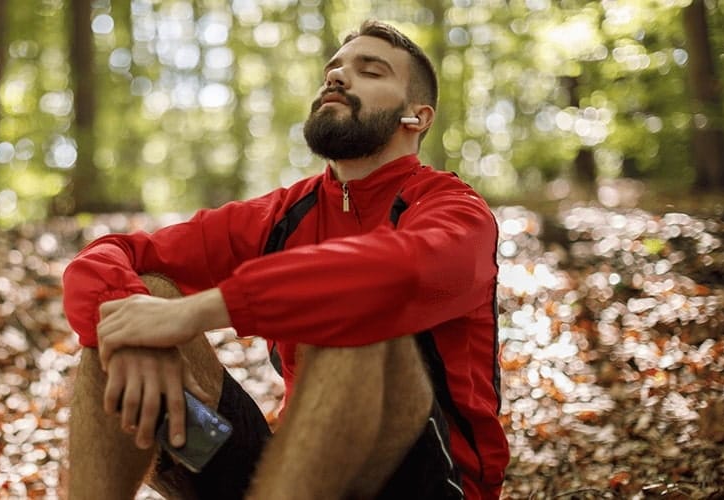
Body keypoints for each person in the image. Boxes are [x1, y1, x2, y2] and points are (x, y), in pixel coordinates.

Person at [62, 19, 509, 499]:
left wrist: (194, 312)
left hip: (426, 482)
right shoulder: (282, 215)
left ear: (416, 118)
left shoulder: (454, 210)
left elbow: (395, 274)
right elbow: (111, 255)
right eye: (333, 69)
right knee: (130, 309)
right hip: (288, 478)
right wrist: (132, 332)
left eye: (370, 71)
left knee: (359, 320)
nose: (337, 77)